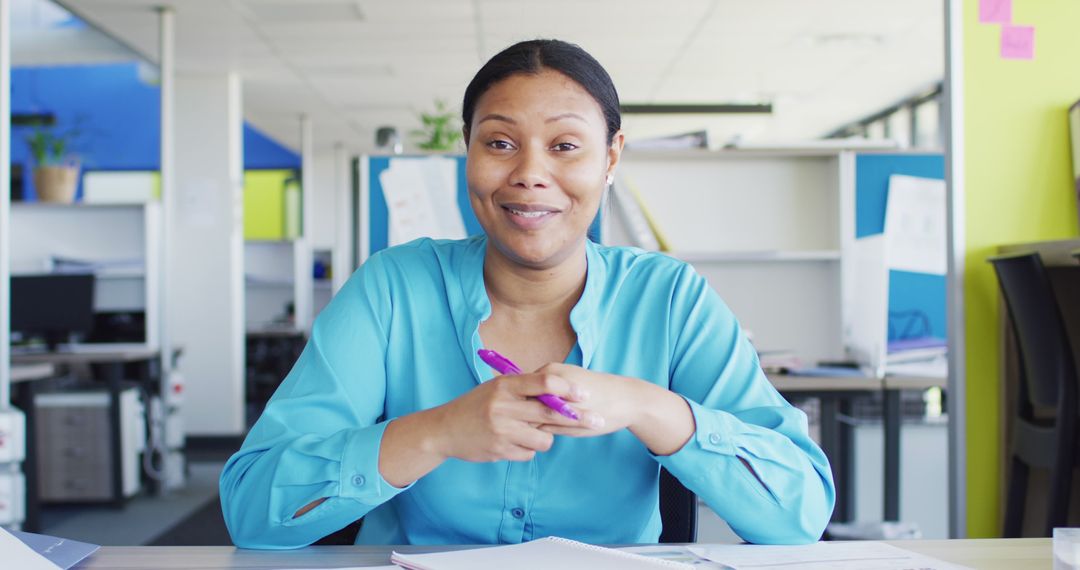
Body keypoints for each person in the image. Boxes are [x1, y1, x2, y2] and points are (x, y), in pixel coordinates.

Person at [220, 39, 834, 550]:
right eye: (500, 143)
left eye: (565, 146)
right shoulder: (392, 289)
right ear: (469, 150)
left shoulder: (670, 298)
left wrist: (649, 407)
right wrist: (437, 432)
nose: (529, 174)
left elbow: (798, 515)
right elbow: (251, 511)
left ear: (611, 157)